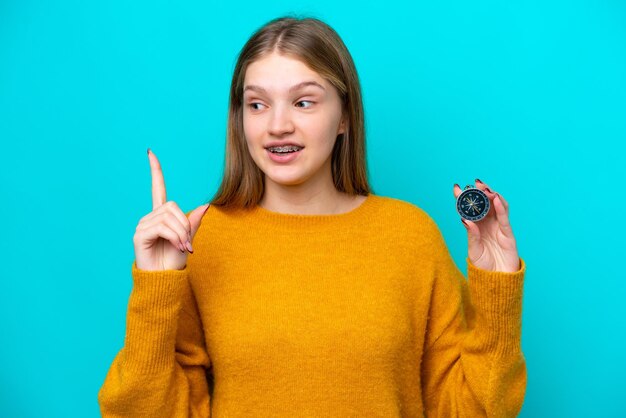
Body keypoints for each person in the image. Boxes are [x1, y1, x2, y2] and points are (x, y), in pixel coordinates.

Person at [98, 16, 526, 417]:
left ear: (343, 116)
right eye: (257, 105)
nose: (277, 125)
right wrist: (155, 289)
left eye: (303, 102)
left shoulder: (410, 236)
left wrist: (496, 290)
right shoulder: (199, 240)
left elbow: (475, 408)